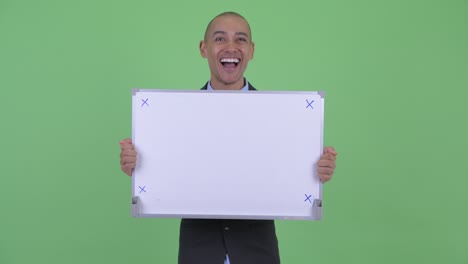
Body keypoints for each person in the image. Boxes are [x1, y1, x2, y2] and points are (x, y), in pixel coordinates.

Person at [119, 11, 338, 264]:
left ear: (252, 50)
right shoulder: (175, 116)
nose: (231, 47)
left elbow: (289, 173)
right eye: (220, 39)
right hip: (198, 251)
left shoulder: (280, 117)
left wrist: (317, 171)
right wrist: (139, 167)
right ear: (204, 48)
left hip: (258, 252)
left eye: (241, 40)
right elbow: (165, 172)